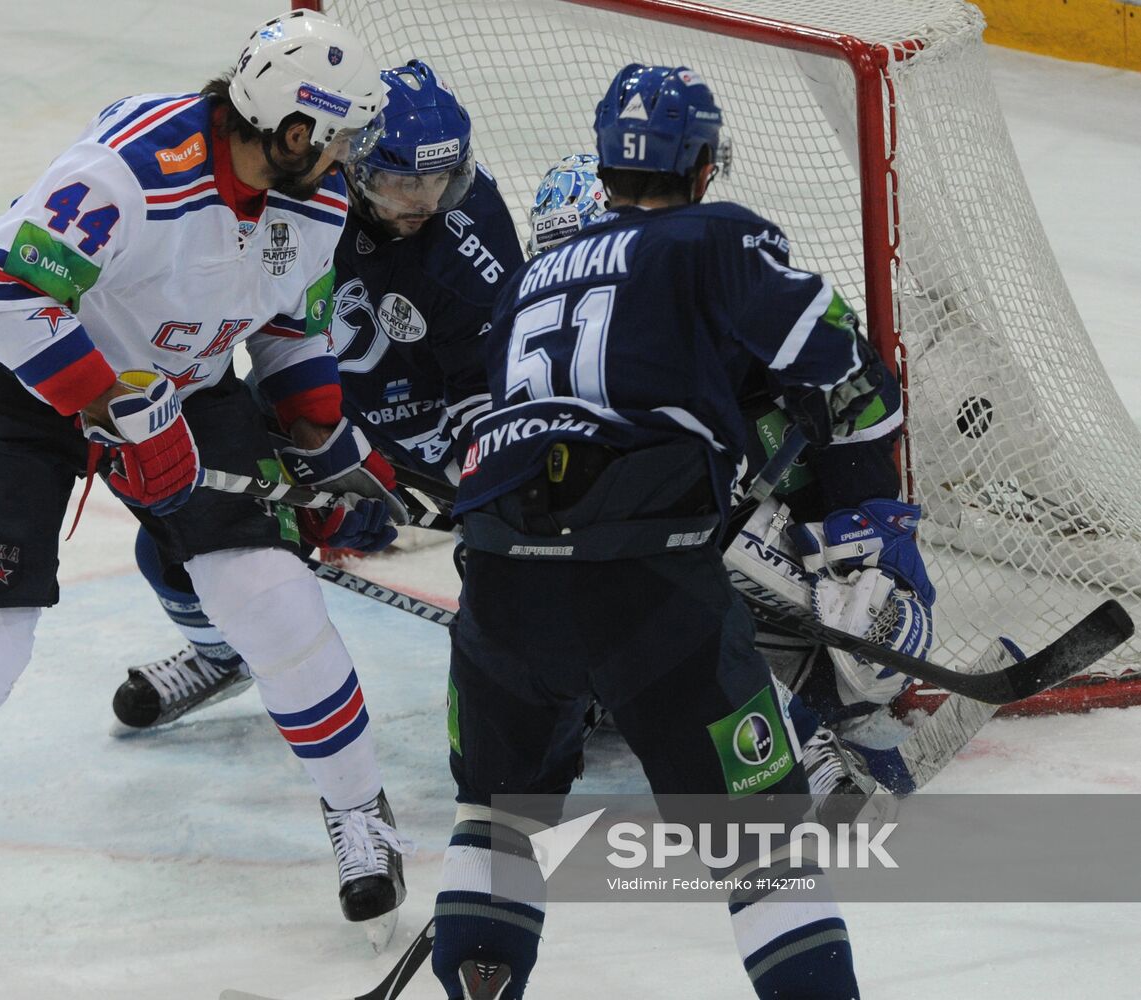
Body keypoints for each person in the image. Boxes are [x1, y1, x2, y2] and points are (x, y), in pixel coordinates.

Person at [0, 10, 413, 958]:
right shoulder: (133, 169)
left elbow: (288, 327)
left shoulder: (316, 203)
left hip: (184, 386)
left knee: (270, 592)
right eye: (334, 137)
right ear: (292, 130)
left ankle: (359, 814)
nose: (344, 157)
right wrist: (113, 406)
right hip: (18, 386)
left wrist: (317, 428)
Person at [431, 65, 881, 999]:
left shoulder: (529, 276)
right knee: (764, 850)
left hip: (500, 575)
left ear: (602, 168)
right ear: (706, 164)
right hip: (647, 581)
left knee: (496, 818)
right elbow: (829, 351)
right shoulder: (716, 234)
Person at [109, 59, 523, 732]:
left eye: (439, 181)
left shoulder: (467, 227)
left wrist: (486, 480)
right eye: (400, 182)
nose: (423, 201)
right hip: (316, 408)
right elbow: (254, 328)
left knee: (513, 543)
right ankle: (220, 657)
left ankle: (550, 678)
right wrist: (318, 451)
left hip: (438, 426)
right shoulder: (293, 201)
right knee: (177, 525)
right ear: (354, 165)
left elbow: (484, 380)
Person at [526, 154, 933, 811]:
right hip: (690, 561)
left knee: (866, 642)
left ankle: (816, 722)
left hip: (788, 540)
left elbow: (865, 403)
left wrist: (867, 548)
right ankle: (797, 727)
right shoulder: (548, 349)